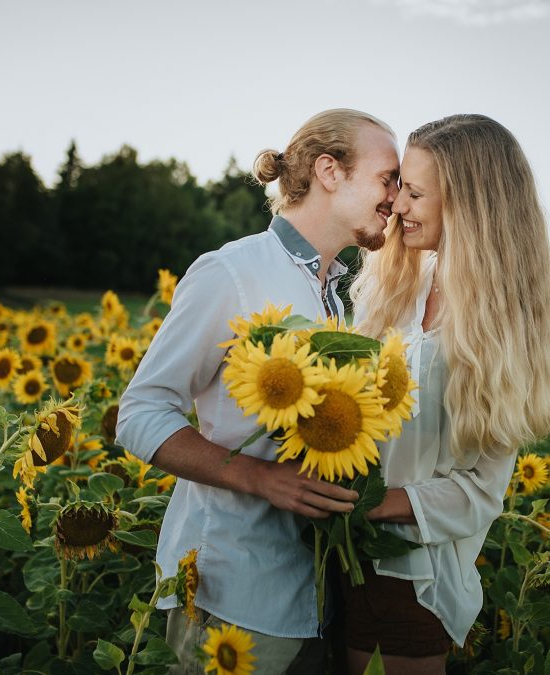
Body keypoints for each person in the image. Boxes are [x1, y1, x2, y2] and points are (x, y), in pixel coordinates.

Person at [115, 108, 400, 675]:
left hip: (315, 595)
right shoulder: (233, 272)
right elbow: (140, 411)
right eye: (387, 177)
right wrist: (257, 476)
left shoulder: (342, 298)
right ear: (329, 170)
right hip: (230, 593)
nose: (397, 195)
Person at [347, 114, 550, 674]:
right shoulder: (395, 285)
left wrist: (368, 505)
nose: (398, 206)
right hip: (336, 559)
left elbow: (480, 493)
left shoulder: (501, 326)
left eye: (416, 193)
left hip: (415, 580)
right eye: (400, 188)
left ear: (471, 206)